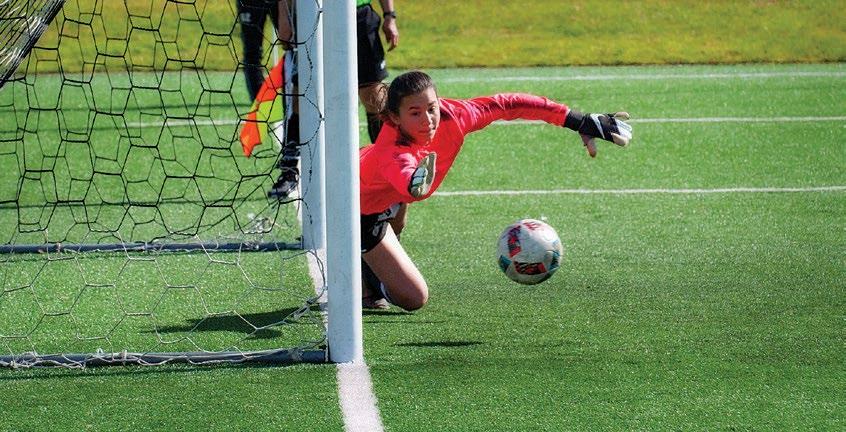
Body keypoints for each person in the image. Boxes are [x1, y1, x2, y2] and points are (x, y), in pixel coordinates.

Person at [359, 70, 633, 311]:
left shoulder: (455, 116)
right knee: (414, 298)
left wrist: (577, 120)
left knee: (396, 214)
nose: (428, 119)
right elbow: (406, 178)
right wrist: (414, 184)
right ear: (395, 117)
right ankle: (366, 275)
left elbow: (507, 104)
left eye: (432, 108)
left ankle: (374, 260)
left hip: (383, 194)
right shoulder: (391, 150)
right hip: (354, 208)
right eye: (415, 113)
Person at [267, 0, 399, 199]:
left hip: (358, 15)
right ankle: (289, 172)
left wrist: (390, 15)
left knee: (374, 96)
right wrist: (284, 15)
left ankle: (389, 166)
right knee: (301, 96)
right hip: (312, 17)